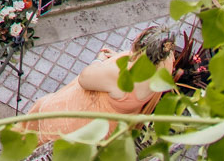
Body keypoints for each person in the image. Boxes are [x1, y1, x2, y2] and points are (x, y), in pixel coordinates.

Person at [26, 25, 184, 144]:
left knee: (42, 110)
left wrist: (100, 60)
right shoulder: (165, 64)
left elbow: (85, 79)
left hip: (82, 121)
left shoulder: (121, 76)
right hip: (110, 126)